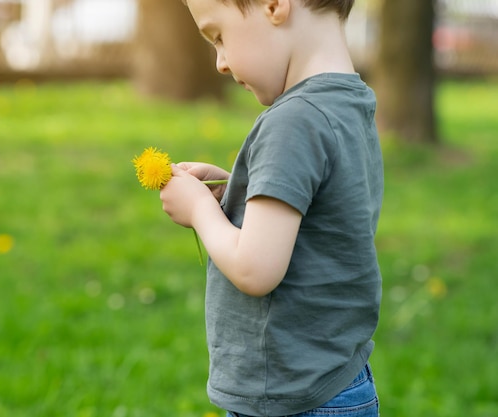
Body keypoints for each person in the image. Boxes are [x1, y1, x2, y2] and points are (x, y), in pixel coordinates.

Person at [159, 0, 383, 416]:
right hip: (336, 380)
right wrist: (240, 191)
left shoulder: (294, 120)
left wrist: (198, 212)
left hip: (291, 398)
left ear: (275, 5)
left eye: (219, 36)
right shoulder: (348, 101)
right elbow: (322, 216)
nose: (220, 63)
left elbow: (255, 269)